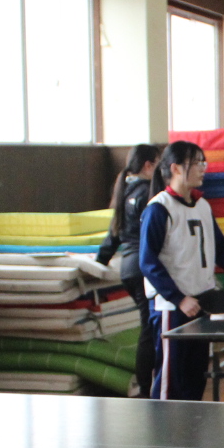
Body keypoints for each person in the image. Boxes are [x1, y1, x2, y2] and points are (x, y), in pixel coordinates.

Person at [139, 141, 224, 399]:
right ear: (176, 168)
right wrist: (179, 299)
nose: (204, 168)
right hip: (173, 308)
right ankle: (163, 425)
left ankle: (192, 424)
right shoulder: (159, 209)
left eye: (203, 162)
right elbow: (148, 262)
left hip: (201, 305)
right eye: (197, 163)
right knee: (171, 380)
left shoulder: (203, 206)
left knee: (195, 376)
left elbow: (221, 252)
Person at [95, 143, 161, 396]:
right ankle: (146, 386)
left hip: (128, 269)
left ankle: (148, 383)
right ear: (149, 165)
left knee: (148, 326)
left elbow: (113, 235)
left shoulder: (124, 191)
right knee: (150, 329)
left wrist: (99, 262)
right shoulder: (148, 192)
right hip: (144, 268)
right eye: (158, 164)